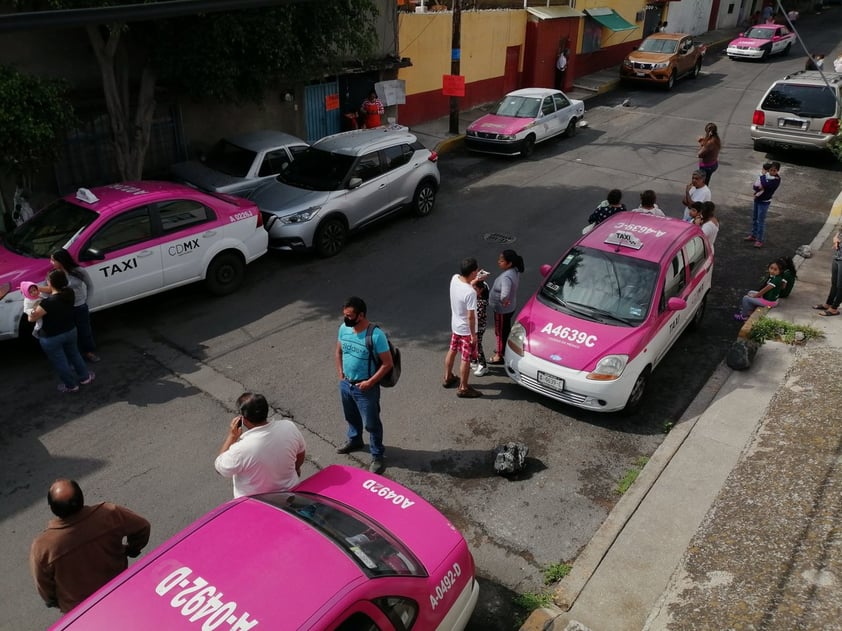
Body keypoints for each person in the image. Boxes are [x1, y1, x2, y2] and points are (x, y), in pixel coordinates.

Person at [29, 479, 150, 614]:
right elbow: (142, 527)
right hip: (119, 590)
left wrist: (54, 601)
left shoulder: (43, 546)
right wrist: (131, 549)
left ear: (52, 508)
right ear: (81, 497)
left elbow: (44, 586)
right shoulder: (109, 514)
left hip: (80, 613)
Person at [335, 296, 393, 473]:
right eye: (345, 314)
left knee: (372, 423)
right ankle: (355, 440)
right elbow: (338, 351)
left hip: (365, 388)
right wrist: (340, 373)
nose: (346, 318)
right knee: (351, 416)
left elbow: (387, 363)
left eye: (350, 315)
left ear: (361, 315)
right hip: (346, 385)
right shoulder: (343, 329)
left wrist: (370, 382)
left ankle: (377, 455)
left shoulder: (376, 335)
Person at [214, 392, 306, 497]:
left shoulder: (241, 449)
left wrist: (232, 436)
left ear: (244, 420)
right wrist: (296, 468)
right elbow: (301, 452)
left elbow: (219, 468)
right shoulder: (289, 427)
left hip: (258, 506)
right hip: (291, 495)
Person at [28, 270, 94, 393]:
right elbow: (53, 290)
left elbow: (32, 318)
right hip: (70, 331)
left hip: (51, 337)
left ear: (50, 282)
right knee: (75, 354)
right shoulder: (69, 293)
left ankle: (71, 386)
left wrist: (30, 304)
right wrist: (38, 288)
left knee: (60, 361)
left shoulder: (46, 303)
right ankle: (85, 377)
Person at [39, 249, 98, 362]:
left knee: (84, 331)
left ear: (61, 260)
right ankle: (75, 356)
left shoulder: (79, 271)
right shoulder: (54, 275)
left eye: (53, 260)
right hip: (64, 309)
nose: (51, 263)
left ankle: (89, 352)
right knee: (68, 333)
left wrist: (87, 303)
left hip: (80, 306)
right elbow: (46, 291)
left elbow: (90, 286)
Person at [443, 257, 482, 398]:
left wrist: (474, 282)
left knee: (452, 350)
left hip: (455, 325)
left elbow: (464, 285)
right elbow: (471, 317)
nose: (477, 272)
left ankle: (447, 377)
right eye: (476, 270)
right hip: (466, 330)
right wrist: (473, 335)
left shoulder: (454, 279)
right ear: (472, 272)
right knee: (465, 358)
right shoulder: (470, 293)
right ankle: (464, 387)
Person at [488, 250, 525, 366]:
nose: (499, 262)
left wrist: (503, 301)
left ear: (509, 264)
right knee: (505, 329)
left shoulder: (506, 277)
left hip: (502, 310)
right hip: (509, 308)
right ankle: (504, 348)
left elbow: (504, 294)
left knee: (499, 332)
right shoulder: (514, 271)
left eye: (502, 260)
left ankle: (499, 355)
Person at [744, 161, 781, 248]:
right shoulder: (767, 177)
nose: (772, 172)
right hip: (758, 199)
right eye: (771, 170)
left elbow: (765, 184)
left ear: (777, 171)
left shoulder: (776, 180)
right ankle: (753, 235)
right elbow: (756, 187)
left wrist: (762, 176)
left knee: (760, 221)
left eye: (774, 170)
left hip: (764, 202)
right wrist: (761, 183)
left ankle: (759, 240)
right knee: (755, 218)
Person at [813, 230, 842, 316]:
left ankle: (834, 308)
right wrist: (836, 237)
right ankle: (828, 304)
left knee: (841, 286)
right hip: (838, 256)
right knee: (834, 283)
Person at [471, 270, 491, 377]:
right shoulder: (478, 298)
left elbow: (475, 317)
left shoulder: (481, 303)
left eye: (475, 289)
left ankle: (483, 365)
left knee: (478, 345)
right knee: (472, 344)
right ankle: (474, 361)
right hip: (475, 327)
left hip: (478, 327)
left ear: (481, 290)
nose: (473, 291)